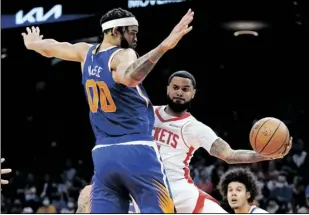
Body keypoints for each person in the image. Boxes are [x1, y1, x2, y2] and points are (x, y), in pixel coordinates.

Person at [22, 7, 194, 213]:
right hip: (136, 150)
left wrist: (33, 44)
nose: (135, 38)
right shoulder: (123, 55)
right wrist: (163, 47)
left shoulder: (84, 52)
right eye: (131, 32)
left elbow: (51, 47)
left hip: (103, 156)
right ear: (115, 32)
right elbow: (130, 77)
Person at [76, 71, 292, 213]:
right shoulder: (146, 114)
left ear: (193, 93)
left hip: (179, 190)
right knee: (86, 197)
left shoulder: (194, 127)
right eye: (176, 87)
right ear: (168, 89)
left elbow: (228, 154)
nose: (179, 92)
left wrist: (265, 155)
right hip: (142, 187)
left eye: (185, 89)